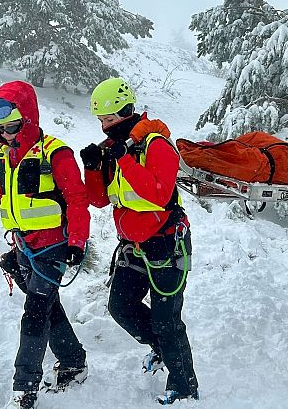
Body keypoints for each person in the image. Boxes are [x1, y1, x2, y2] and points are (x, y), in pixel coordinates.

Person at [0, 81, 90, 409]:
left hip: (53, 247)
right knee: (47, 306)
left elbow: (77, 198)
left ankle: (24, 389)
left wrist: (77, 241)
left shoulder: (56, 152)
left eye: (11, 124)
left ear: (26, 118)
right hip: (23, 246)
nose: (5, 132)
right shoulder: (0, 155)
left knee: (35, 312)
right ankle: (74, 362)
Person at [79, 77, 199, 405]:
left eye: (111, 119)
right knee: (120, 308)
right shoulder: (117, 150)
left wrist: (124, 159)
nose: (106, 127)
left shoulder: (156, 145)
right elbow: (100, 200)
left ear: (128, 111)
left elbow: (158, 194)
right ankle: (162, 349)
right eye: (102, 121)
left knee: (166, 320)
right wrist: (92, 168)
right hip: (134, 247)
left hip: (166, 245)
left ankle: (185, 384)